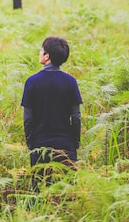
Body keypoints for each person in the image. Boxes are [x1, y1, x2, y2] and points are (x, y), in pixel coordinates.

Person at [21, 36, 82, 172]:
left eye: (41, 50)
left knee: (39, 188)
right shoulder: (70, 82)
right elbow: (76, 116)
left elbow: (28, 118)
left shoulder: (32, 82)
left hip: (40, 146)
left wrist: (31, 143)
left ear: (47, 56)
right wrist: (75, 143)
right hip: (66, 145)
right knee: (66, 189)